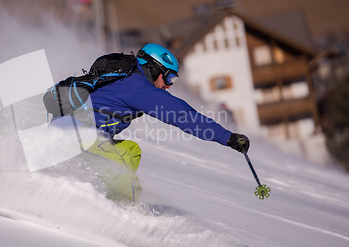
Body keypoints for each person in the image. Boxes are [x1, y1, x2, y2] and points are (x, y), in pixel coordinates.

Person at [51, 43, 250, 203]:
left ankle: (98, 197)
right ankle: (124, 217)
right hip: (77, 135)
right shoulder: (138, 87)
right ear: (154, 70)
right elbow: (184, 116)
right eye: (169, 76)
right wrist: (228, 138)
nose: (169, 85)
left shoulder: (127, 78)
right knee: (122, 177)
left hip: (71, 131)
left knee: (130, 151)